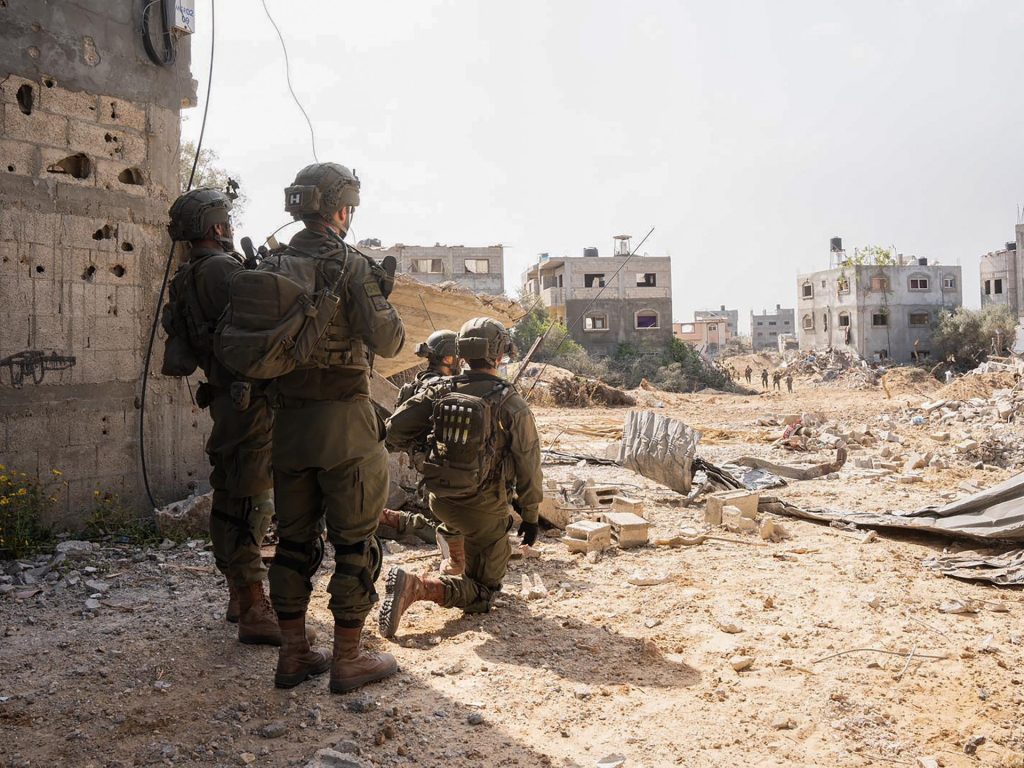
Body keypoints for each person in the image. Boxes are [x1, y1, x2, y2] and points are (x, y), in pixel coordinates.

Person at [264, 162, 405, 693]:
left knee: (293, 543)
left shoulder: (272, 263)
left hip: (287, 425)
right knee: (355, 543)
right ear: (341, 209)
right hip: (345, 423)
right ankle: (348, 659)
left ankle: (293, 654)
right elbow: (390, 341)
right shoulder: (352, 265)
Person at [160, 189, 279, 646]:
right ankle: (254, 608)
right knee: (251, 500)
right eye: (225, 221)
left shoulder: (188, 275)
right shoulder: (221, 270)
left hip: (228, 399)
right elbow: (267, 319)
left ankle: (239, 597)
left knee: (230, 495)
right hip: (250, 401)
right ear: (215, 226)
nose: (229, 227)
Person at [379, 317, 543, 639]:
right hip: (483, 511)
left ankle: (456, 560)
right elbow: (528, 464)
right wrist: (531, 515)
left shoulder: (439, 388)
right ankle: (417, 586)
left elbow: (393, 432)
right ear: (499, 354)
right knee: (484, 591)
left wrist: (423, 453)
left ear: (461, 353)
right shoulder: (511, 403)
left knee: (456, 526)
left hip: (440, 501)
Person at [378, 330, 461, 548]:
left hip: (426, 463)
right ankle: (398, 522)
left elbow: (393, 434)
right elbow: (393, 430)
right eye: (457, 356)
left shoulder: (417, 384)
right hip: (444, 469)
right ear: (448, 358)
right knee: (455, 532)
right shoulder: (442, 388)